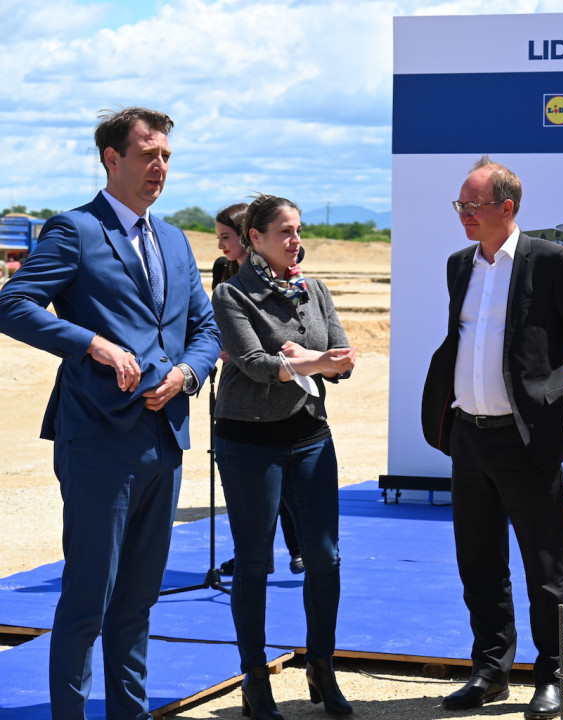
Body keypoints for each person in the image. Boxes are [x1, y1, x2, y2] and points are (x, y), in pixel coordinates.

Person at [0, 107, 221, 720]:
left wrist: (186, 373)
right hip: (98, 440)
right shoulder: (74, 230)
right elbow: (13, 304)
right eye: (148, 154)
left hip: (165, 437)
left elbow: (205, 329)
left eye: (167, 156)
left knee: (139, 601)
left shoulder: (174, 239)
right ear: (111, 158)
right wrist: (90, 343)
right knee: (87, 600)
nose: (160, 166)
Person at [420, 156, 563, 720]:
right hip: (468, 438)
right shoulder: (459, 265)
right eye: (460, 204)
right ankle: (490, 670)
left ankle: (553, 675)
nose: (463, 214)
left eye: (472, 205)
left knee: (545, 569)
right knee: (478, 563)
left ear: (506, 207)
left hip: (527, 440)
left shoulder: (548, 261)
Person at [212, 194, 357, 720]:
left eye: (298, 230)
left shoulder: (315, 289)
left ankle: (322, 666)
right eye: (285, 232)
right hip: (248, 440)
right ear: (255, 238)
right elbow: (254, 364)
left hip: (310, 435)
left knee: (325, 557)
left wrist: (312, 361)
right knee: (254, 563)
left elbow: (344, 361)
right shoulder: (232, 293)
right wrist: (314, 362)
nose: (296, 241)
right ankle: (255, 680)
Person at [212, 202, 305, 578]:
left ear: (247, 236)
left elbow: (290, 327)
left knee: (285, 483)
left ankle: (299, 549)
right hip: (239, 392)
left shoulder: (286, 270)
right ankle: (254, 555)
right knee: (249, 488)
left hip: (279, 385)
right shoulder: (223, 272)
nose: (221, 245)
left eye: (225, 237)